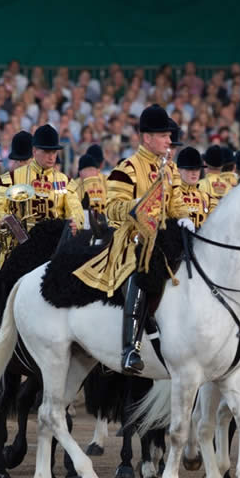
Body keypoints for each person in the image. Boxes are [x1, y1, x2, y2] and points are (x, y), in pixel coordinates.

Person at [73, 105, 192, 375]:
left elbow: (176, 203)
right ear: (147, 138)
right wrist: (134, 206)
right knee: (141, 272)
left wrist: (185, 217)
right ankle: (131, 348)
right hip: (133, 240)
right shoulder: (125, 169)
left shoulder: (170, 169)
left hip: (166, 238)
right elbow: (112, 208)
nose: (169, 141)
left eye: (168, 136)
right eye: (163, 135)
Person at [0, 124, 83, 232]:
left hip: (55, 244)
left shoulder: (66, 181)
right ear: (34, 151)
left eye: (54, 152)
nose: (51, 157)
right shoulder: (11, 178)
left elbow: (75, 209)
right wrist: (2, 218)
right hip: (21, 244)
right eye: (46, 151)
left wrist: (76, 221)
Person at [173, 146, 216, 228]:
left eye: (197, 169)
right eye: (190, 169)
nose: (194, 173)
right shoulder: (172, 195)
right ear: (178, 170)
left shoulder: (208, 198)